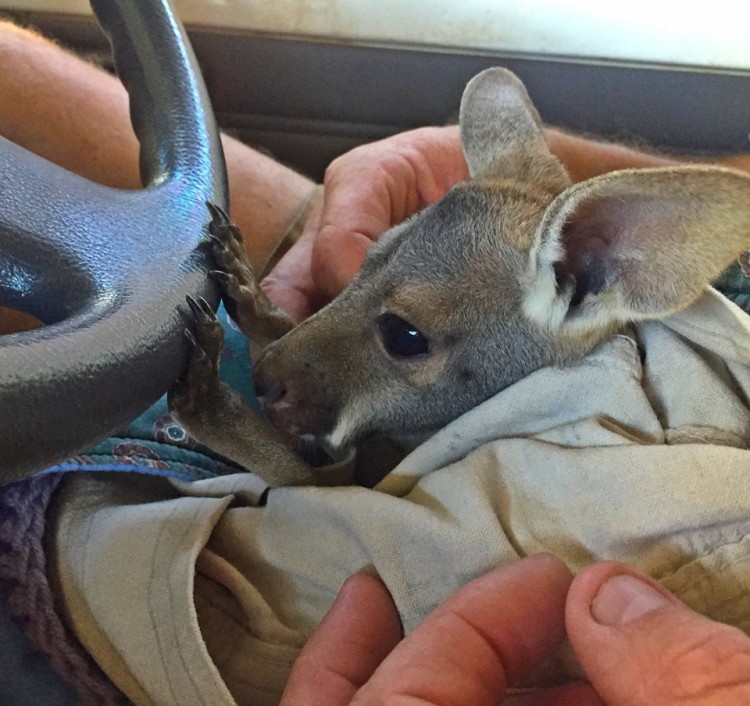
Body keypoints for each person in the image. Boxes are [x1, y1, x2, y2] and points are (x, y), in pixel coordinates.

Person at [1, 19, 749, 705]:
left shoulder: (617, 420)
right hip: (468, 320)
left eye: (407, 338)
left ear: (590, 278)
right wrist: (493, 177)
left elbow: (345, 533)